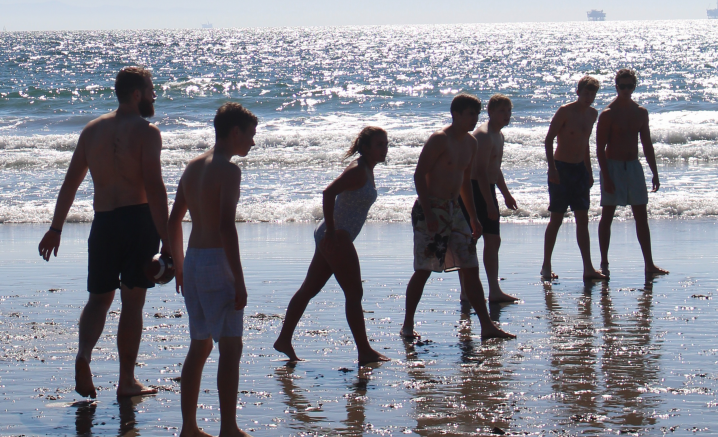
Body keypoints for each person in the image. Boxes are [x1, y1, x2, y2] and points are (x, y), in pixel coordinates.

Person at [38, 66, 172, 399]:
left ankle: (84, 355)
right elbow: (154, 188)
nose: (154, 95)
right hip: (138, 222)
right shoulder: (147, 132)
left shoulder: (92, 131)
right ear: (137, 94)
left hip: (103, 223)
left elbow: (71, 181)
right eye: (151, 89)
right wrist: (169, 239)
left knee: (98, 300)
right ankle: (127, 380)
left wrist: (56, 228)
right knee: (132, 303)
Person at [167, 102, 257, 437]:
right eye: (250, 135)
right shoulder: (230, 171)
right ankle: (228, 428)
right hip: (218, 262)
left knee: (200, 344)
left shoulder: (192, 167)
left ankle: (189, 426)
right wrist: (240, 281)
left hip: (192, 262)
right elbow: (226, 228)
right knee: (230, 347)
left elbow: (174, 220)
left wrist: (177, 265)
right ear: (235, 132)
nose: (252, 142)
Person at [400, 94, 515, 340]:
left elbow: (464, 182)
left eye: (476, 114)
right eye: (469, 114)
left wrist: (473, 216)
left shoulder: (471, 144)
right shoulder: (440, 139)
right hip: (430, 208)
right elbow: (419, 175)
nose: (474, 119)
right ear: (456, 115)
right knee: (424, 269)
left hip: (455, 209)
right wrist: (429, 213)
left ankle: (486, 325)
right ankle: (407, 324)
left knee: (470, 266)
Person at [273, 126, 389, 364]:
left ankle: (283, 339)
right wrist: (333, 233)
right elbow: (328, 193)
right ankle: (364, 351)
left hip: (333, 233)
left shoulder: (366, 168)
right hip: (337, 235)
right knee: (354, 292)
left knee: (309, 289)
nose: (384, 148)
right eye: (379, 144)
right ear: (365, 148)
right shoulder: (358, 171)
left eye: (385, 144)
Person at [596, 69, 668, 278]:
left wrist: (654, 172)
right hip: (613, 166)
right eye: (622, 86)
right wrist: (606, 176)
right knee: (607, 215)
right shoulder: (608, 114)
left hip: (634, 167)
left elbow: (647, 145)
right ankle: (604, 263)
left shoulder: (640, 112)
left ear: (634, 87)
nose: (626, 90)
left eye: (630, 86)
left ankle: (649, 264)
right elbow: (600, 148)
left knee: (641, 217)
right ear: (616, 86)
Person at [541, 76, 606, 281]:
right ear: (578, 92)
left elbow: (585, 143)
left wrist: (589, 170)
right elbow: (549, 139)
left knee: (582, 220)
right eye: (586, 93)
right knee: (556, 219)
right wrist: (552, 169)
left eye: (593, 93)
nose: (589, 97)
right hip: (561, 169)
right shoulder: (564, 111)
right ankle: (546, 266)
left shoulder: (593, 114)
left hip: (579, 170)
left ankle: (588, 268)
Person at [467, 94, 519, 303]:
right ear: (490, 112)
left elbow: (494, 170)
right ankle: (467, 290)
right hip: (474, 190)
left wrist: (506, 194)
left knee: (493, 240)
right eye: (502, 111)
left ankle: (493, 290)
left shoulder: (499, 135)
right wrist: (489, 203)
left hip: (487, 189)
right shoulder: (485, 136)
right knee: (473, 239)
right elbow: (479, 172)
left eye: (508, 111)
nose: (506, 115)